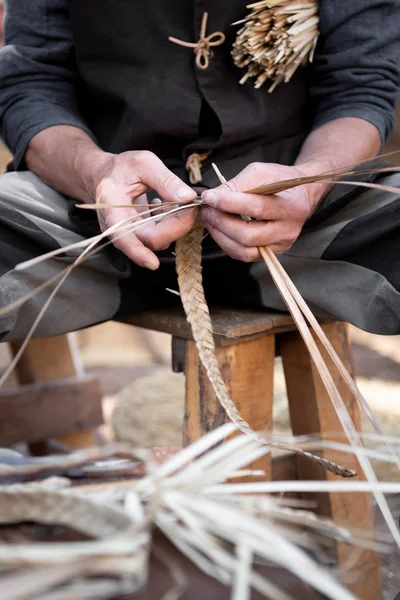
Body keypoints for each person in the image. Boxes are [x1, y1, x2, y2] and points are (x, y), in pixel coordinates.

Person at [0, 0, 399, 342]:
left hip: (304, 228)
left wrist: (310, 184)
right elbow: (32, 83)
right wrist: (96, 173)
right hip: (93, 225)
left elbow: (361, 84)